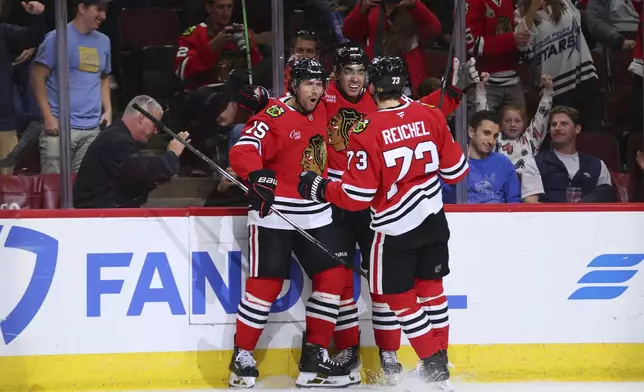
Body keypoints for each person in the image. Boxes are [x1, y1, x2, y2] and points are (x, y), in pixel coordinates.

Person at [298, 56, 469, 390]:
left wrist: (320, 188)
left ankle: (433, 361)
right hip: (434, 221)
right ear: (402, 82)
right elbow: (457, 171)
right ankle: (441, 356)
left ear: (373, 87)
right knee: (432, 292)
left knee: (395, 295)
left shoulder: (368, 128)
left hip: (396, 230)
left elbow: (356, 197)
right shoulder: (430, 114)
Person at [227, 58, 354, 389]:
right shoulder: (273, 116)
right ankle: (241, 357)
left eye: (318, 84)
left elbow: (366, 104)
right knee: (266, 285)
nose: (315, 90)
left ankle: (314, 356)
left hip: (316, 211)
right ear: (293, 86)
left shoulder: (327, 107)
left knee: (334, 276)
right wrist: (255, 174)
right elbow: (244, 148)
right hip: (276, 212)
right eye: (308, 84)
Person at [31, 0, 113, 174]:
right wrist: (48, 117)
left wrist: (108, 109)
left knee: (83, 192)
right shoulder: (56, 38)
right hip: (59, 128)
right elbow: (37, 76)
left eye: (105, 11)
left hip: (92, 129)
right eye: (98, 9)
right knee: (52, 191)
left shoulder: (104, 41)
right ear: (82, 8)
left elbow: (103, 77)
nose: (103, 16)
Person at [73, 96, 190, 208]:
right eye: (156, 125)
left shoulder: (116, 135)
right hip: (98, 216)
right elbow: (142, 169)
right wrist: (172, 153)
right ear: (142, 119)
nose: (155, 132)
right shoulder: (116, 140)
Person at [0, 0, 45, 175]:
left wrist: (36, 17)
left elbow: (32, 37)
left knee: (6, 184)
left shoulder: (3, 32)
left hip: (3, 124)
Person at [535, 106, 614, 202]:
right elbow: (530, 202)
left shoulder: (598, 165)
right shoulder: (536, 163)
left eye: (564, 124)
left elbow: (607, 198)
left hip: (588, 216)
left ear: (577, 129)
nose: (557, 128)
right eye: (554, 124)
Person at [442, 110, 521, 203]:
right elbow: (445, 200)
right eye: (486, 133)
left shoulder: (504, 163)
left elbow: (514, 202)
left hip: (498, 216)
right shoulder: (453, 163)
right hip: (465, 216)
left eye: (495, 136)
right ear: (471, 132)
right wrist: (460, 170)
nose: (491, 141)